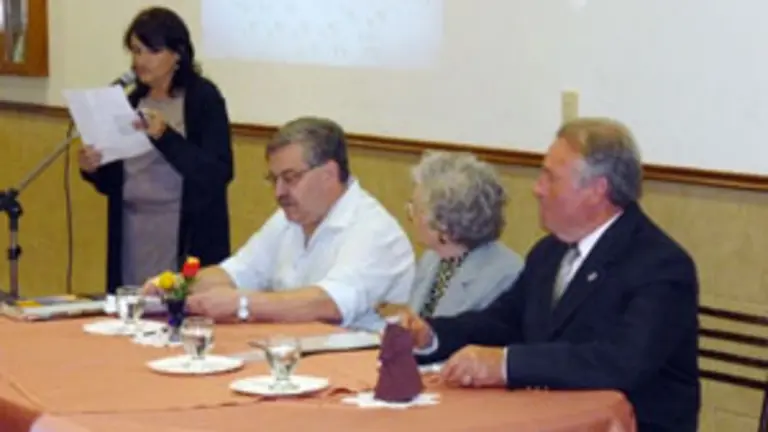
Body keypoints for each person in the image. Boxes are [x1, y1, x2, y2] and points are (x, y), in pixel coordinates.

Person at [398, 118, 700, 432]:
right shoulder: (549, 252)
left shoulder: (660, 266)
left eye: (549, 178)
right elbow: (504, 321)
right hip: (545, 416)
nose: (537, 189)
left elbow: (621, 362)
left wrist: (506, 365)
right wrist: (431, 335)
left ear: (596, 190)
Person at [144, 116, 415, 332]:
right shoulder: (291, 218)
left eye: (290, 178)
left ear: (329, 174)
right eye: (274, 179)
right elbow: (237, 272)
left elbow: (328, 303)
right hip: (297, 349)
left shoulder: (373, 230)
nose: (279, 192)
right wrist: (177, 287)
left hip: (360, 364)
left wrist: (242, 303)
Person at [79, 6, 233, 294]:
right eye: (136, 51)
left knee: (175, 312)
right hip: (132, 230)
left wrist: (165, 136)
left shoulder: (202, 99)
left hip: (182, 233)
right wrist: (93, 168)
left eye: (151, 51)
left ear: (177, 54)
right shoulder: (131, 100)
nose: (140, 60)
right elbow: (117, 179)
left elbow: (217, 173)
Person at [378, 151, 523, 320]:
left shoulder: (504, 275)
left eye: (415, 209)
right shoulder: (432, 258)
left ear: (443, 224)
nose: (409, 214)